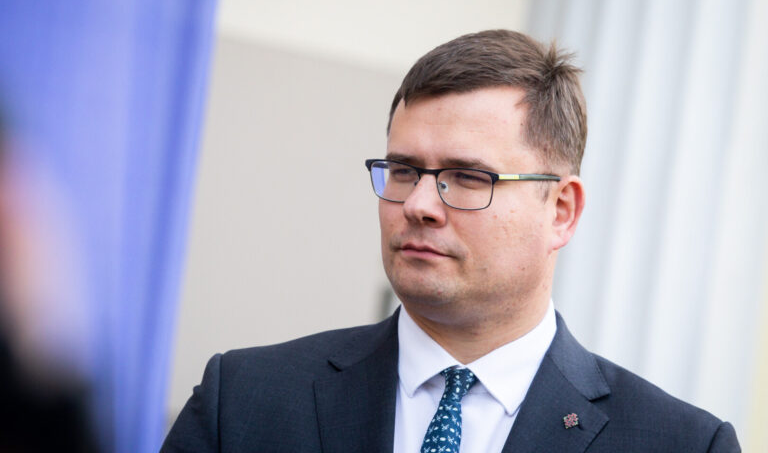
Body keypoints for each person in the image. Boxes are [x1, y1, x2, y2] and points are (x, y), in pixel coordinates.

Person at [161, 30, 740, 452]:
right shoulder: (245, 401)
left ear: (561, 211)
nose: (418, 205)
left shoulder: (681, 443)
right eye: (404, 170)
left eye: (467, 177)